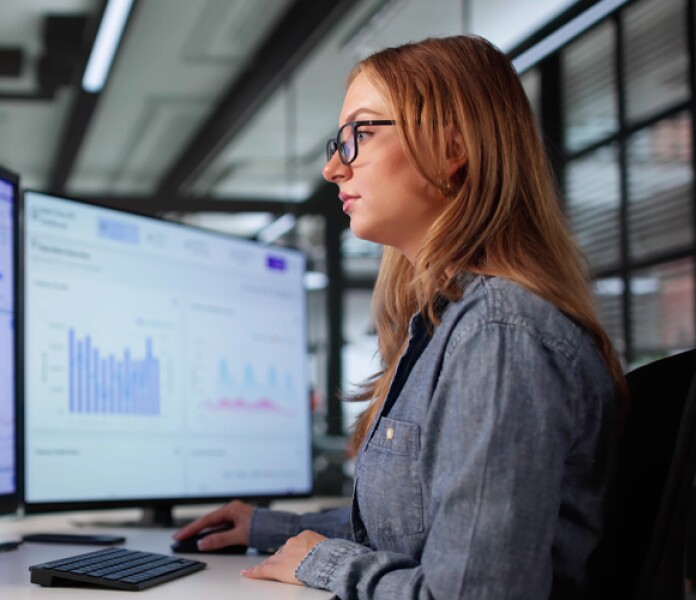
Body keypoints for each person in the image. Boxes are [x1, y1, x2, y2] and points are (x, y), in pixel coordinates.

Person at [173, 34, 627, 599]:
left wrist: (325, 563)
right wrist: (272, 529)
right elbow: (421, 529)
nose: (331, 168)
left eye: (360, 134)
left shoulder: (498, 335)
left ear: (452, 145)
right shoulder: (449, 323)